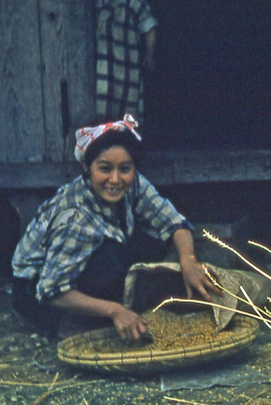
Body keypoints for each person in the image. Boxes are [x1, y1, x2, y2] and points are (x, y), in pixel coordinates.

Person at [11, 115, 219, 340]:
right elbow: (51, 291)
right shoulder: (74, 216)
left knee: (156, 244)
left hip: (95, 258)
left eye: (125, 169)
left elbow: (172, 221)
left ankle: (115, 301)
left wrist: (188, 260)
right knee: (109, 264)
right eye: (105, 169)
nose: (115, 179)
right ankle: (76, 320)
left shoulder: (133, 183)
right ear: (87, 167)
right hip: (36, 291)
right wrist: (115, 311)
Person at [94, 0, 158, 123]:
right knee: (102, 105)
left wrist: (150, 54)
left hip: (129, 65)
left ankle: (126, 136)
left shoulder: (135, 2)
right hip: (103, 65)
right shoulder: (95, 1)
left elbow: (149, 28)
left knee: (129, 106)